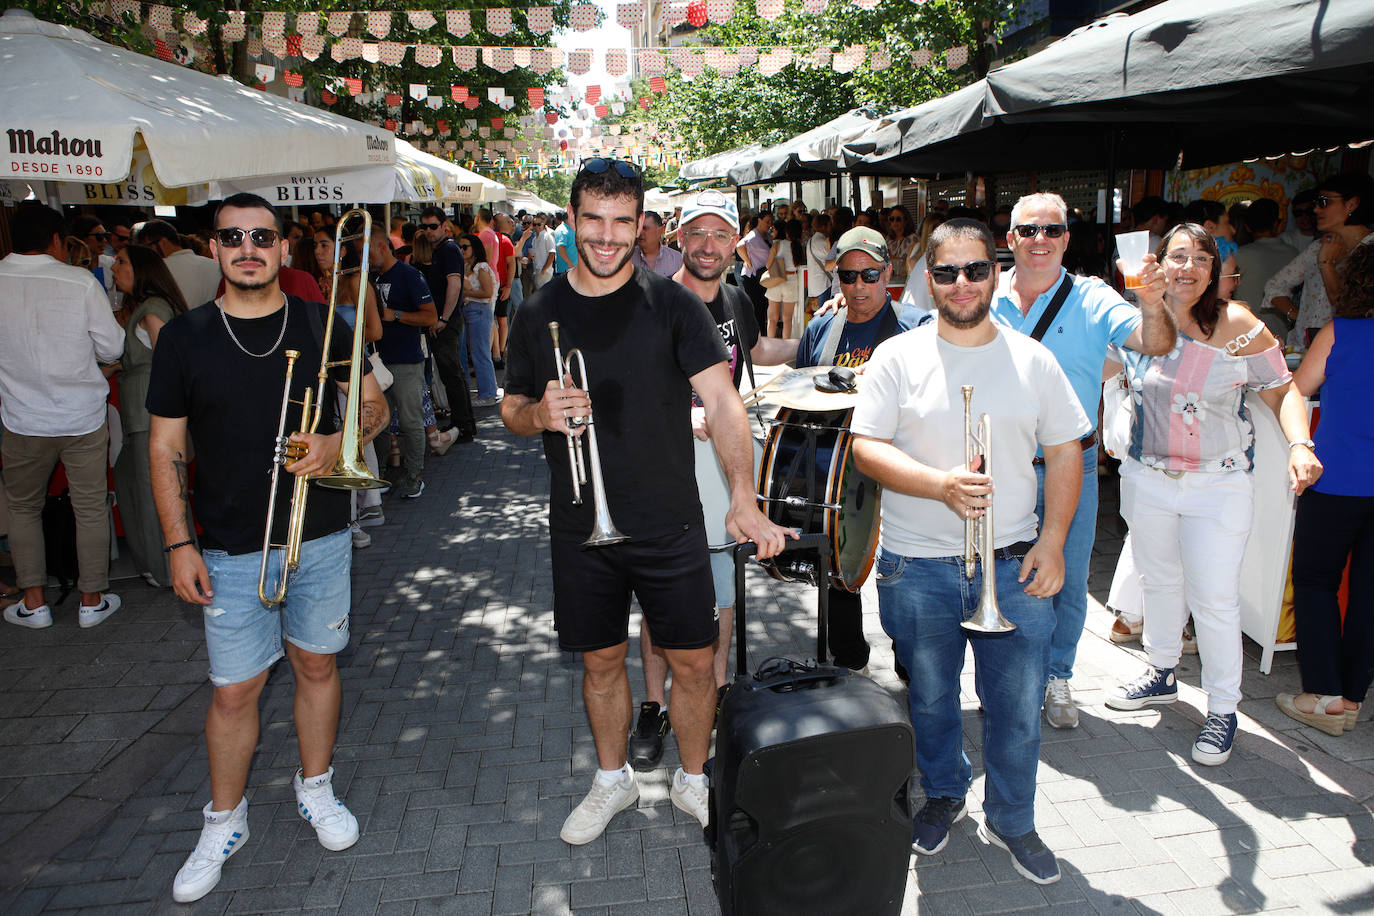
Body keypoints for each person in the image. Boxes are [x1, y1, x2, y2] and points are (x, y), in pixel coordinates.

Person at [500, 159, 791, 846]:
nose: (606, 237)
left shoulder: (675, 305)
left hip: (670, 520)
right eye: (593, 220)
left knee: (693, 662)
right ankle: (611, 781)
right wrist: (536, 416)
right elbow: (510, 406)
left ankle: (692, 778)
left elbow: (722, 403)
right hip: (580, 523)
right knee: (601, 663)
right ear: (571, 221)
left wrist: (743, 498)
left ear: (641, 226)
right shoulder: (538, 312)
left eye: (622, 222)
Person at [145, 193, 389, 903]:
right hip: (225, 542)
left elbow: (372, 404)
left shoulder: (322, 321)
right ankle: (225, 818)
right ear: (214, 249)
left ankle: (316, 786)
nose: (247, 247)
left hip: (320, 533)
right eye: (232, 237)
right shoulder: (185, 338)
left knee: (317, 665)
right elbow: (164, 450)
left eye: (262, 236)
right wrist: (176, 543)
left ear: (285, 249)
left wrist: (336, 441)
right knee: (234, 691)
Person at [851, 218, 1090, 885]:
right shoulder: (896, 357)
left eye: (976, 269)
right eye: (948, 271)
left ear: (996, 272)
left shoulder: (1031, 359)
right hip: (916, 565)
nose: (962, 283)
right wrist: (940, 486)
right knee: (929, 700)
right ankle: (946, 794)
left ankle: (1014, 819)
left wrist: (1054, 541)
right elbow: (866, 447)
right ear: (929, 279)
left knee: (1015, 710)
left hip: (1012, 563)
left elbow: (1067, 449)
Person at [1103, 223, 1321, 765]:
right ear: (1156, 262)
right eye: (1179, 256)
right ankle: (1161, 672)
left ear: (1216, 270)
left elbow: (1282, 389)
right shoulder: (1131, 324)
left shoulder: (1238, 325)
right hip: (1147, 478)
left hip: (1218, 485)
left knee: (1215, 599)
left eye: (1203, 258)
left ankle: (1223, 709)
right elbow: (1090, 372)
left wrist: (1299, 443)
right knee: (1159, 581)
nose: (1189, 267)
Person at [630, 189, 801, 769]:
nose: (707, 245)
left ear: (736, 243)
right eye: (696, 234)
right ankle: (654, 704)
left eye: (719, 234)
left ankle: (719, 688)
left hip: (723, 465)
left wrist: (815, 340)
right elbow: (622, 390)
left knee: (723, 588)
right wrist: (680, 411)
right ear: (678, 238)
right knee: (665, 590)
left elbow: (755, 355)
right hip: (667, 466)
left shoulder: (735, 298)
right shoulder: (649, 302)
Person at [991, 192, 1174, 729]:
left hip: (1073, 467)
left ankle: (1057, 677)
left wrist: (1153, 298)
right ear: (1011, 239)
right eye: (1029, 230)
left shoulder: (1094, 299)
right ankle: (1005, 677)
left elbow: (1156, 344)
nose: (1040, 240)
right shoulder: (986, 293)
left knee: (1065, 579)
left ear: (1067, 238)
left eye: (1052, 230)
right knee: (996, 574)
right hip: (1002, 469)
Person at [795, 226, 924, 675]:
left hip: (898, 473)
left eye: (870, 275)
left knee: (902, 577)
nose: (859, 287)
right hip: (835, 474)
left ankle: (909, 665)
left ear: (888, 272)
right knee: (837, 575)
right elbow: (800, 399)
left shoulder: (915, 328)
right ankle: (851, 663)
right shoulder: (821, 328)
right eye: (848, 277)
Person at [0, 204, 124, 631]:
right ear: (56, 239)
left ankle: (34, 602)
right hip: (82, 415)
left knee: (22, 508)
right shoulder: (78, 282)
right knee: (89, 507)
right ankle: (91, 599)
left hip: (20, 416)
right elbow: (112, 348)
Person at [1281, 244, 1374, 734]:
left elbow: (1297, 389)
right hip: (1344, 478)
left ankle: (1325, 697)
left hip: (1337, 478)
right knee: (1369, 592)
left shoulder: (1343, 332)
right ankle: (1354, 697)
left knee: (1315, 582)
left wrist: (1300, 443)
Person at [111, 245, 190, 586]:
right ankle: (162, 567)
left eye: (121, 261)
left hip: (149, 419)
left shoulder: (152, 308)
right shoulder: (148, 307)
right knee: (136, 487)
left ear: (141, 269)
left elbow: (167, 362)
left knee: (150, 493)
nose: (114, 267)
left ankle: (167, 570)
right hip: (144, 417)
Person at [1262, 172, 1374, 349]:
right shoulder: (1317, 246)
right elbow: (1274, 286)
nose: (1316, 210)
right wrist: (1299, 317)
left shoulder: (1369, 250)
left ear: (1351, 204)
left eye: (1324, 202)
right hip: (1302, 346)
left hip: (1345, 348)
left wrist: (1326, 264)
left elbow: (1347, 309)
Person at [370, 224, 438, 498]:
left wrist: (395, 315)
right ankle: (383, 475)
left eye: (368, 250)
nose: (365, 257)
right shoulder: (369, 277)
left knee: (411, 421)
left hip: (405, 361)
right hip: (376, 362)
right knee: (377, 422)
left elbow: (430, 317)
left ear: (383, 247)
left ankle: (414, 477)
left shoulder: (410, 276)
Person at [416, 207, 476, 444]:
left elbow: (454, 285)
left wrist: (443, 318)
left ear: (444, 226)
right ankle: (463, 423)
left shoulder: (449, 249)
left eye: (433, 226)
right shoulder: (443, 250)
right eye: (425, 226)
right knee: (453, 373)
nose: (428, 231)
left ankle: (463, 425)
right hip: (445, 320)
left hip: (446, 321)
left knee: (452, 373)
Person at [1233, 198, 1299, 337]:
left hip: (1245, 334)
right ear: (1276, 224)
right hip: (1283, 334)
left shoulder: (1238, 255)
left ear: (1247, 227)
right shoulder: (1294, 254)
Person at [138, 218, 223, 310]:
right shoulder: (216, 266)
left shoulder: (158, 270)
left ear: (162, 242)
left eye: (147, 247)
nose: (145, 253)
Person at [459, 234, 502, 407]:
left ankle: (488, 393)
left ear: (474, 248)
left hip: (479, 311)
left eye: (465, 247)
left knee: (481, 353)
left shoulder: (481, 267)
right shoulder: (467, 266)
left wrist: (466, 293)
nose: (462, 250)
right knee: (477, 353)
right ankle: (487, 391)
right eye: (460, 247)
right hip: (471, 311)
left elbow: (488, 293)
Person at [763, 218, 805, 339]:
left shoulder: (778, 244)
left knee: (773, 317)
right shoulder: (799, 247)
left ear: (787, 231)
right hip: (792, 281)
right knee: (787, 319)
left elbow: (768, 264)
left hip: (777, 279)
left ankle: (771, 343)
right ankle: (786, 346)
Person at [736, 209, 774, 333]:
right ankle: (757, 335)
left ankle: (761, 334)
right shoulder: (753, 235)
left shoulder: (767, 235)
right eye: (767, 222)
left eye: (771, 222)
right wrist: (748, 261)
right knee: (757, 308)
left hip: (763, 275)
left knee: (763, 307)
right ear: (760, 220)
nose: (769, 224)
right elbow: (739, 246)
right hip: (753, 277)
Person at [632, 210, 683, 277]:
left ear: (660, 230)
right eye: (638, 228)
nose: (640, 232)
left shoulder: (676, 259)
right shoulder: (629, 258)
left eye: (645, 228)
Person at [885, 205, 918, 285]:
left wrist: (894, 259)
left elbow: (914, 262)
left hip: (907, 281)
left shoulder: (914, 239)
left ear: (906, 221)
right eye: (892, 219)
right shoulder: (888, 239)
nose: (894, 222)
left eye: (898, 219)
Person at [530, 213, 557, 289]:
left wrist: (544, 269)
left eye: (538, 224)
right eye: (534, 224)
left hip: (544, 272)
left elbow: (552, 254)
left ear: (543, 224)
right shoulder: (534, 239)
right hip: (537, 270)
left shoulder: (547, 236)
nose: (536, 226)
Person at [553, 210, 577, 276]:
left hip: (574, 268)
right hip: (566, 270)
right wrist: (570, 265)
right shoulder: (561, 230)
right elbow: (561, 248)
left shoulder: (573, 228)